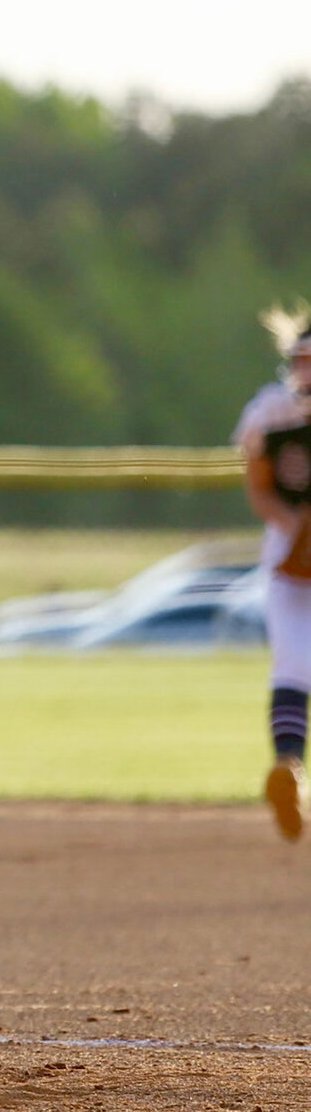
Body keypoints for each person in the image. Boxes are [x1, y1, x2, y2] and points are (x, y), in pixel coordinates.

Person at [233, 301, 311, 842]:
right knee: (291, 665)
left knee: (292, 665)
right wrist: (295, 524)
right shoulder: (271, 411)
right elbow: (259, 486)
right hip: (292, 562)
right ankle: (289, 769)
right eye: (301, 359)